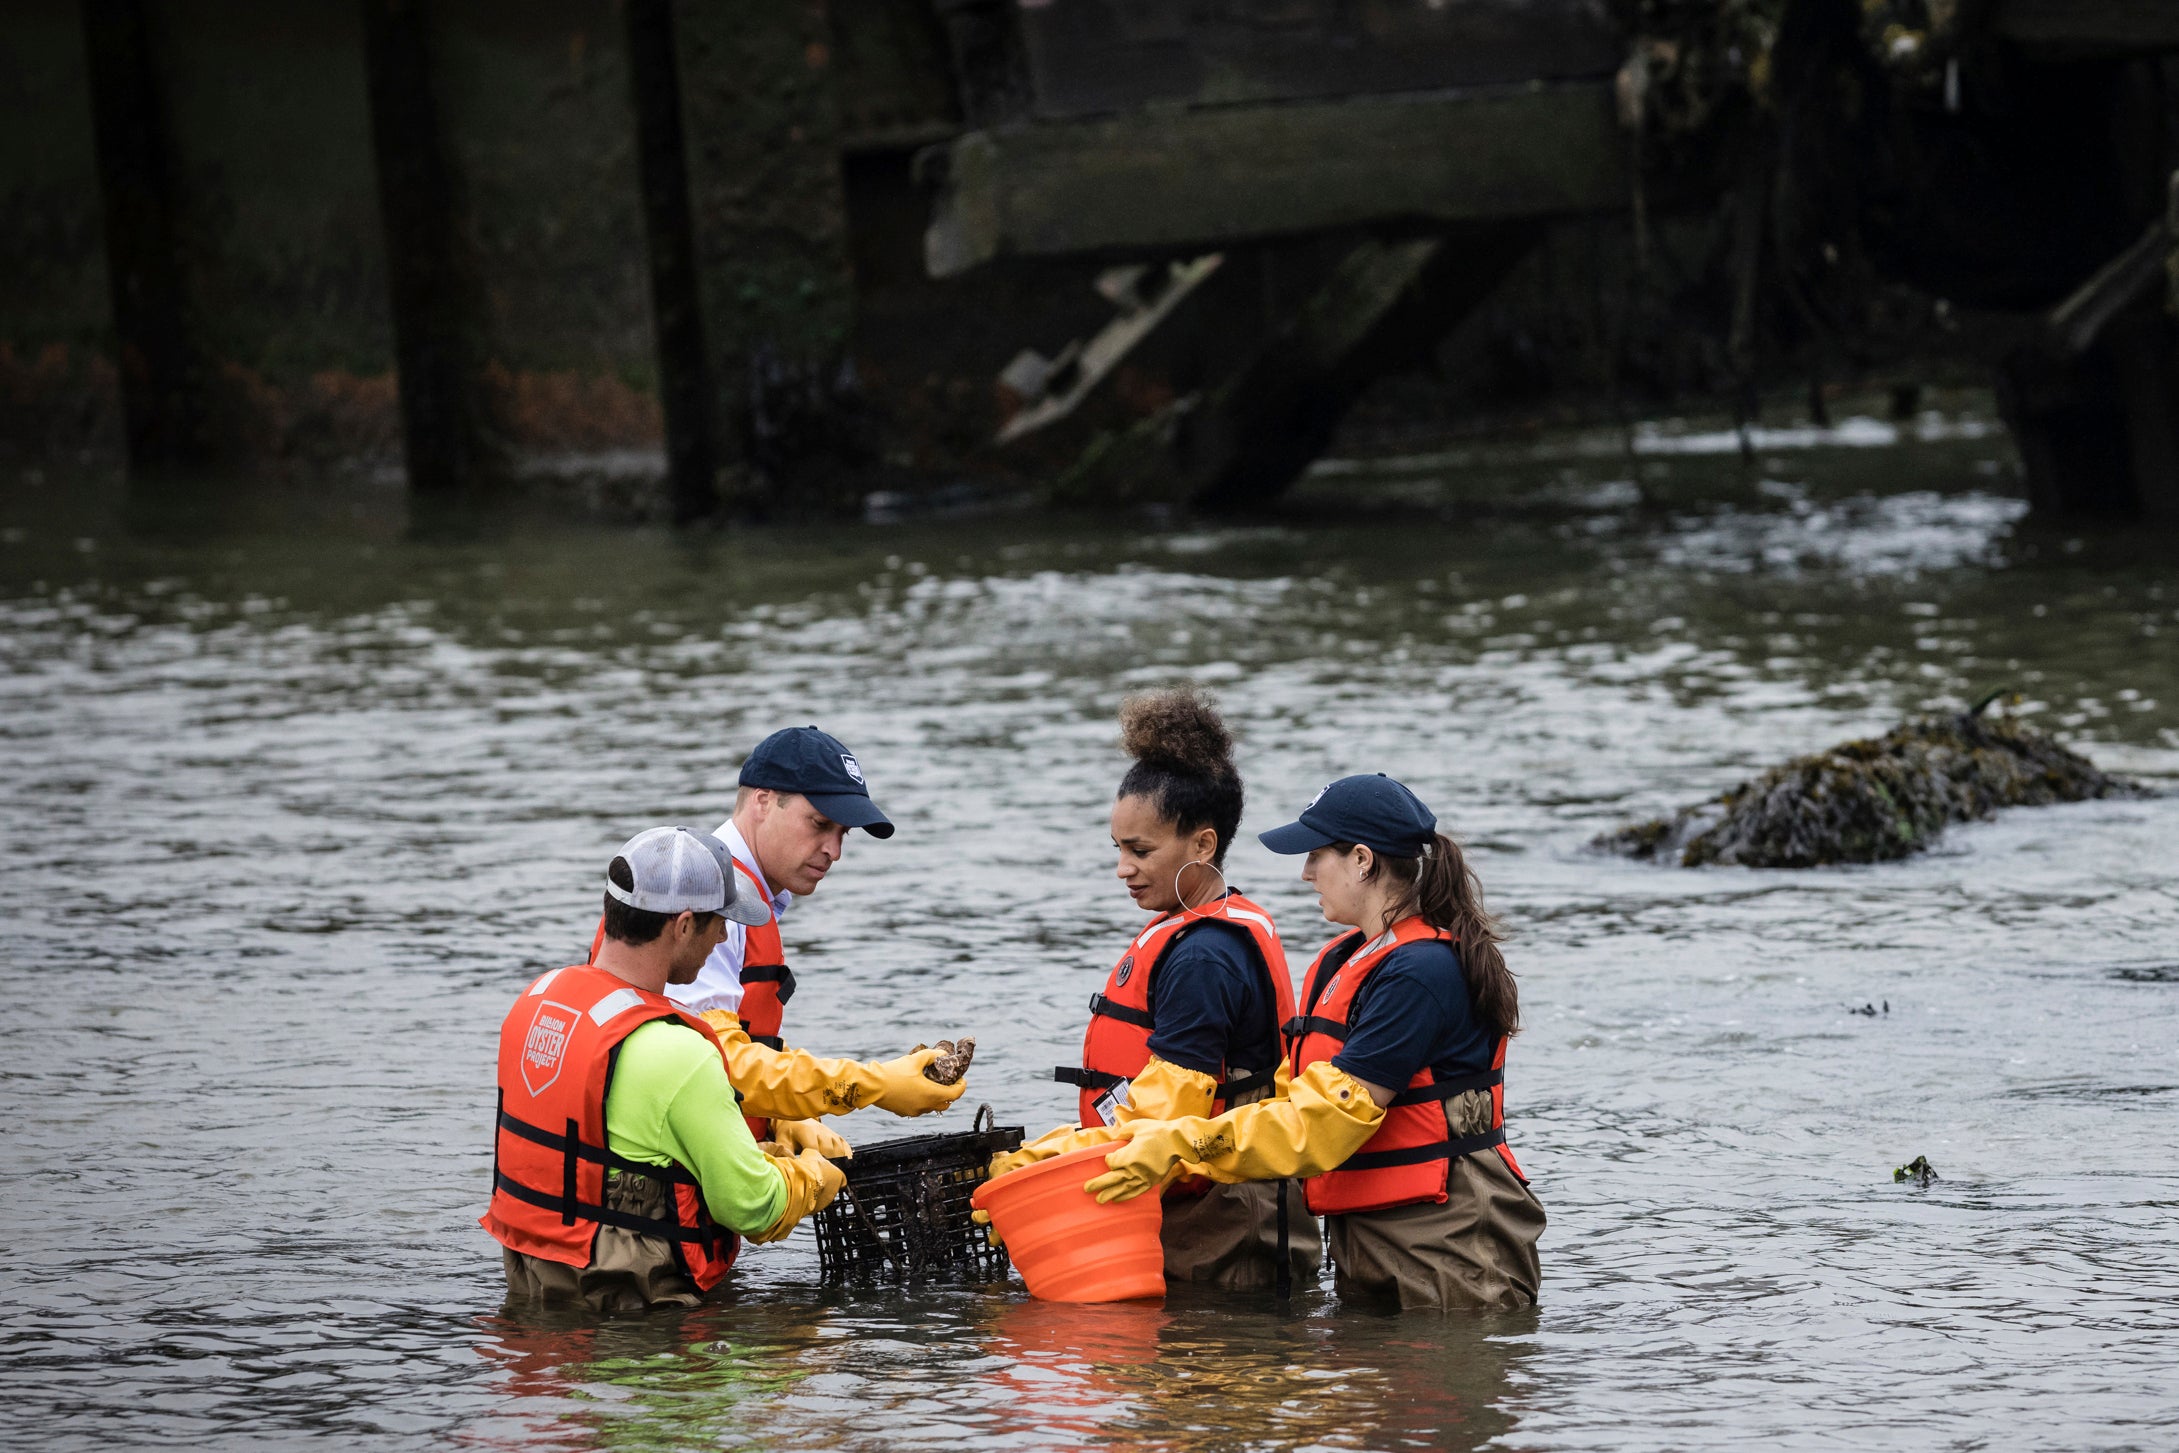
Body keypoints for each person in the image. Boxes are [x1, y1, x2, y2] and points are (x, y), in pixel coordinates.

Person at [1083, 774, 1545, 1311]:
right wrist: (1086, 1150)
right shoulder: (1344, 959)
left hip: (1453, 1241)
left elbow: (1325, 1120)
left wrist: (1182, 1144)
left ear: (1362, 861)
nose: (1305, 874)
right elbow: (1289, 1097)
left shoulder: (1421, 973)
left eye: (1316, 856)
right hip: (1373, 1238)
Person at [981, 687, 1320, 1291]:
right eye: (1118, 849)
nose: (1123, 868)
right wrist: (1059, 1149)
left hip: (1226, 1228)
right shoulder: (1202, 928)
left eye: (1141, 851)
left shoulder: (1204, 956)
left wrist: (1048, 1166)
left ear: (1203, 844)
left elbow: (1168, 1113)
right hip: (1201, 1206)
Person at [485, 826, 849, 1313]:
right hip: (639, 1317)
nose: (724, 936)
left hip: (534, 1290)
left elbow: (616, 1152)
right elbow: (754, 1207)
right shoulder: (680, 1052)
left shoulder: (536, 1003)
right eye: (719, 922)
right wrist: (815, 1173)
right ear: (683, 926)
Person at [584, 727, 966, 1157]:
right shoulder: (706, 902)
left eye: (843, 833)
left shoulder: (727, 886)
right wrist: (872, 1085)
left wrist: (786, 1115)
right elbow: (712, 1060)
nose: (834, 850)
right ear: (763, 802)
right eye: (820, 824)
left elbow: (724, 1050)